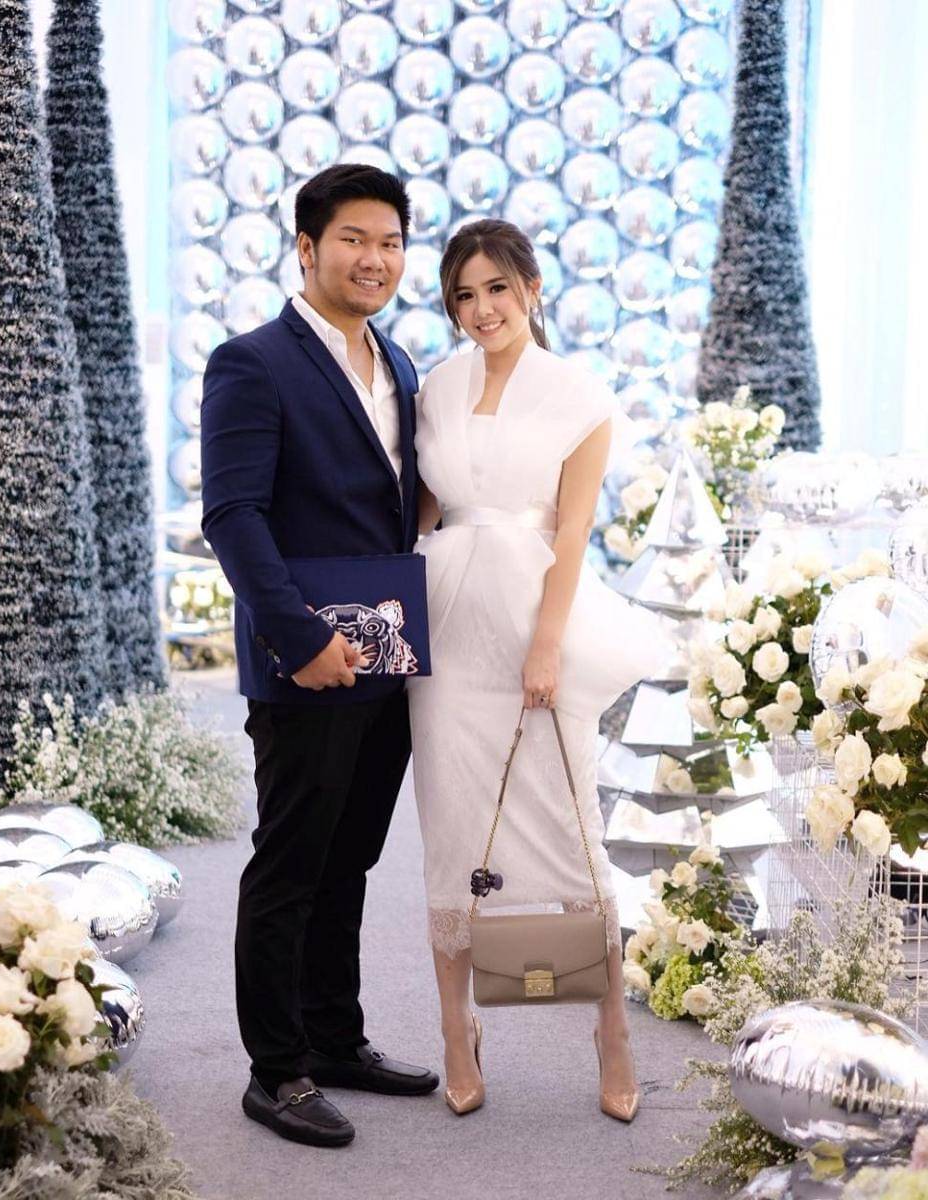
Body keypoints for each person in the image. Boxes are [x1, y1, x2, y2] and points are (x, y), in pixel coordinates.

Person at [200, 164, 438, 1150]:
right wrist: (300, 639)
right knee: (292, 860)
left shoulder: (402, 364)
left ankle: (335, 1038)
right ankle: (278, 1070)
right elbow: (233, 513)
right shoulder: (252, 362)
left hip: (389, 648)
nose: (374, 258)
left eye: (390, 241)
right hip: (305, 657)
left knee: (353, 856)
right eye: (353, 239)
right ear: (307, 248)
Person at [407, 219, 666, 1119]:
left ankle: (611, 1029)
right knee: (452, 830)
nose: (482, 309)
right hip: (446, 629)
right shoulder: (437, 387)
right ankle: (457, 1029)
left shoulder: (577, 395)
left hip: (531, 616)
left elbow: (573, 528)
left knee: (569, 823)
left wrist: (547, 642)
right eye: (463, 295)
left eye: (496, 289)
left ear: (531, 289)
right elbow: (424, 512)